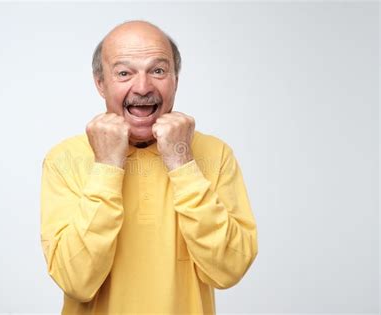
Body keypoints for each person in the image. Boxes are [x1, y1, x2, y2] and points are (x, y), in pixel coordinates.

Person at [40, 20, 258, 315]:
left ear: (175, 80)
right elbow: (75, 280)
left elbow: (229, 269)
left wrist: (183, 164)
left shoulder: (215, 154)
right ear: (100, 83)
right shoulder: (64, 159)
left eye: (158, 70)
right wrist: (106, 167)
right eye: (124, 73)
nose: (143, 87)